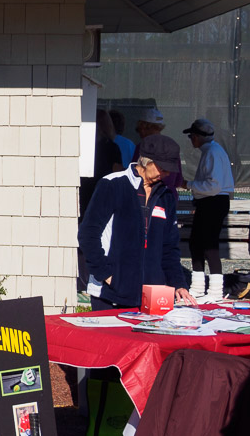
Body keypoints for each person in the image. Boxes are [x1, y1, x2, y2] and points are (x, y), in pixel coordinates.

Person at [79, 133, 196, 311]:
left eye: (169, 169)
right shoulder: (112, 185)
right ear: (145, 161)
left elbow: (170, 247)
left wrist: (178, 283)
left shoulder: (166, 197)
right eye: (161, 167)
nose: (165, 173)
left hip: (153, 294)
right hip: (110, 293)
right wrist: (106, 274)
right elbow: (88, 234)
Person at [182, 118, 235, 300]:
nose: (191, 140)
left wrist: (188, 185)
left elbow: (214, 186)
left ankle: (215, 291)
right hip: (211, 202)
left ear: (197, 137)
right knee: (197, 243)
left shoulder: (212, 152)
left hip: (213, 202)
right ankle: (197, 288)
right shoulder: (212, 151)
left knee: (209, 245)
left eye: (191, 136)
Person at [132, 108, 183, 193]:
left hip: (149, 197)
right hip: (169, 197)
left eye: (139, 129)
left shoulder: (142, 147)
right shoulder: (171, 146)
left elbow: (134, 175)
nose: (139, 132)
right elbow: (178, 181)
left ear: (144, 127)